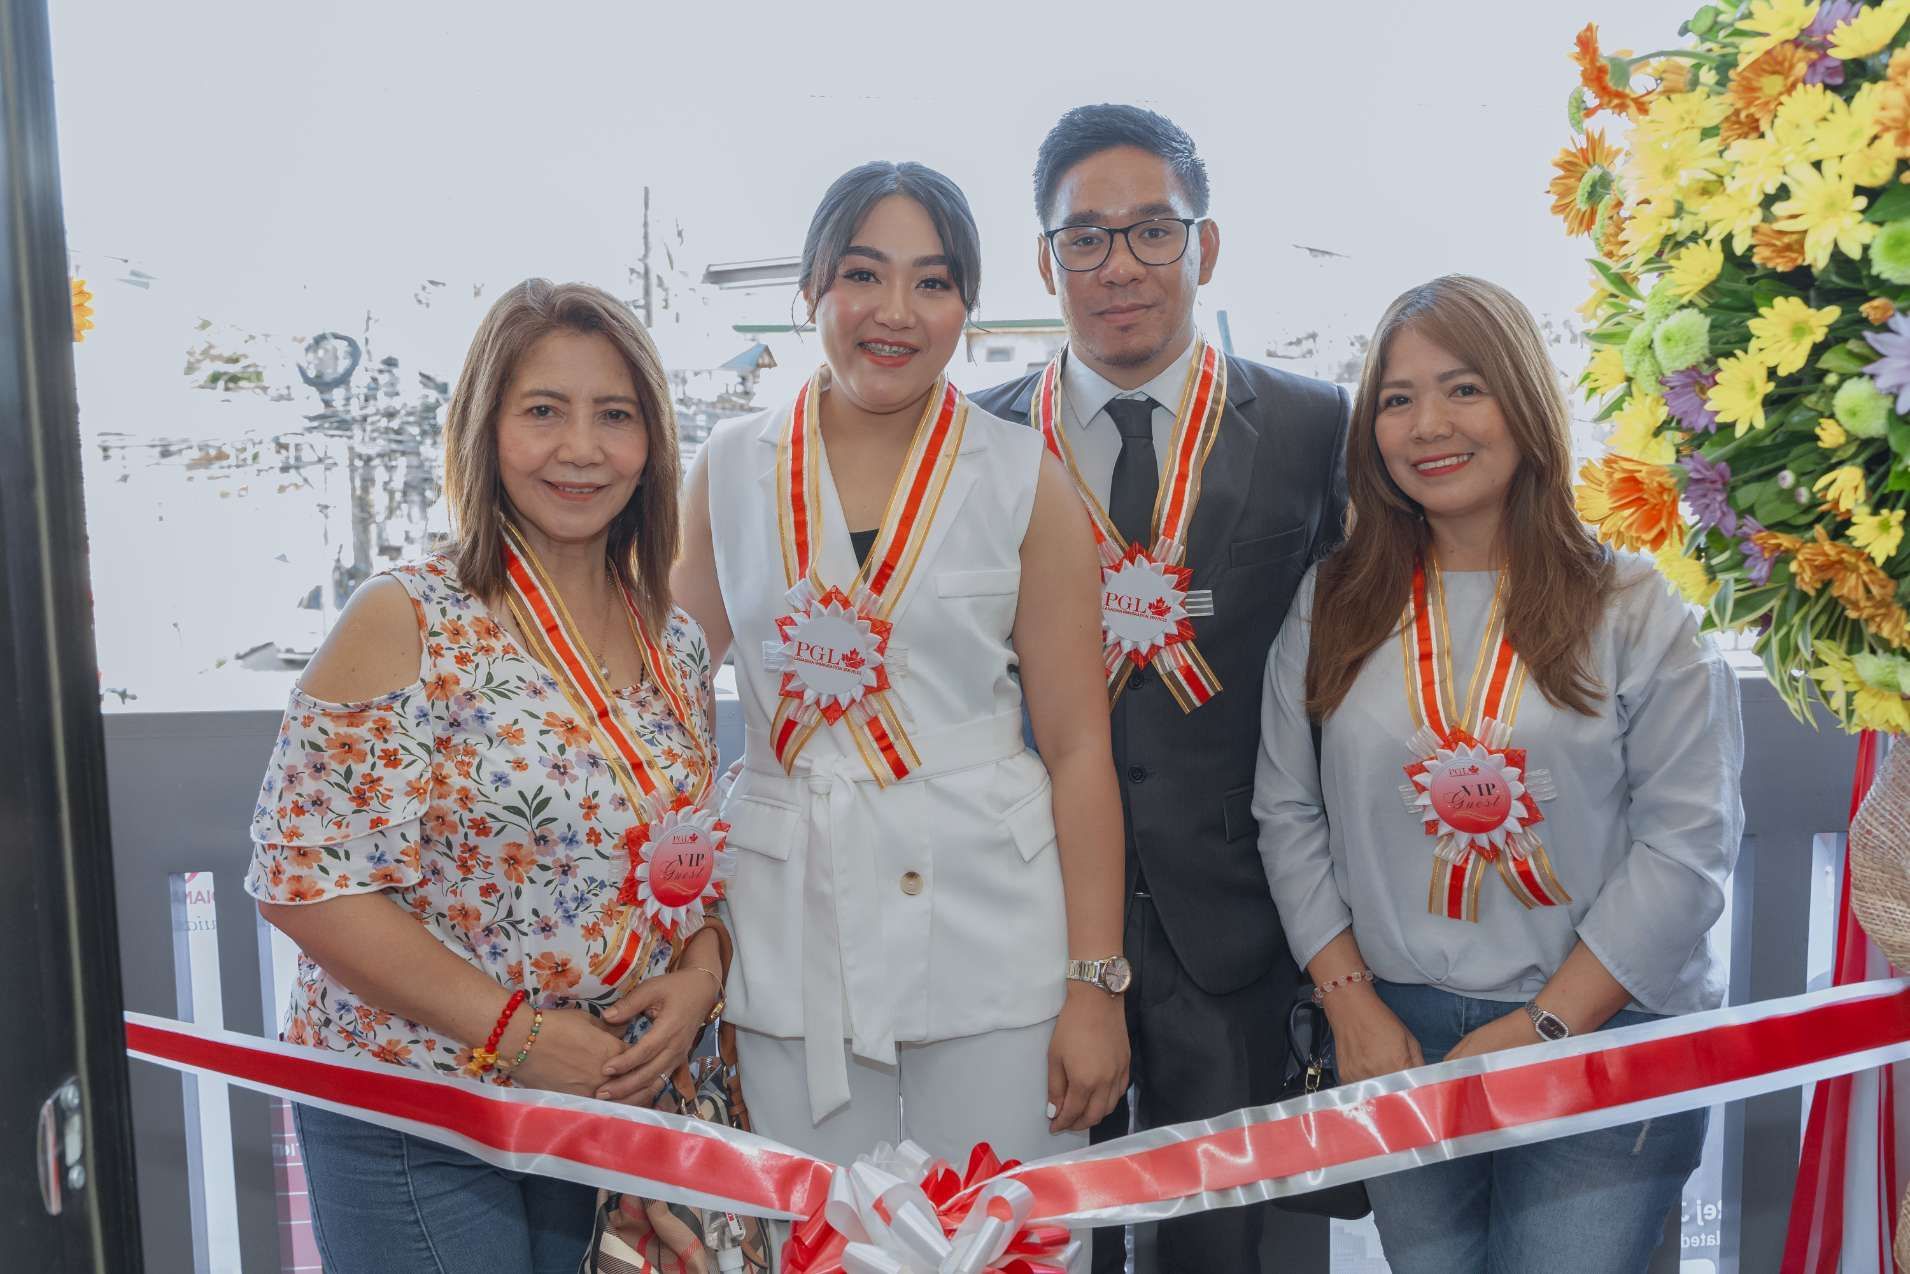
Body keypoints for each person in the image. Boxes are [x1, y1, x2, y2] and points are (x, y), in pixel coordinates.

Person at [1253, 274, 1744, 1272]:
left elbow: (1687, 845)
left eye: (1463, 387)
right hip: (1397, 1032)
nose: (1428, 424)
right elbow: (1286, 807)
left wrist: (1547, 1022)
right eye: (1396, 398)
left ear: (1522, 399)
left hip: (1602, 1032)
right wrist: (1350, 1003)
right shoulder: (1333, 602)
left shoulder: (1634, 606)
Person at [250, 280, 729, 1273]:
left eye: (614, 415)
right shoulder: (406, 615)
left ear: (651, 443)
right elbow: (305, 883)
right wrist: (518, 1033)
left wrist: (701, 973)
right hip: (421, 1106)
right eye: (543, 410)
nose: (581, 448)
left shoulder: (675, 641)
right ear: (485, 428)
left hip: (601, 1099)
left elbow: (683, 862)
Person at [672, 160, 1129, 1168]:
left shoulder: (1026, 478)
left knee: (1004, 1225)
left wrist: (1096, 982)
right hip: (792, 923)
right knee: (817, 1230)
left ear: (966, 306)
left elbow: (1077, 747)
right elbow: (664, 706)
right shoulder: (730, 469)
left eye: (932, 282)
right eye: (862, 274)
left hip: (991, 928)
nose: (895, 312)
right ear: (811, 290)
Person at [970, 104, 1349, 1273]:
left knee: (1219, 1251)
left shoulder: (1311, 427)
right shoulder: (977, 439)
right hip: (1026, 922)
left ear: (1205, 245)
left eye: (1151, 231)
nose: (1118, 265)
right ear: (1045, 260)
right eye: (1083, 238)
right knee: (1027, 1240)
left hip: (1237, 927)